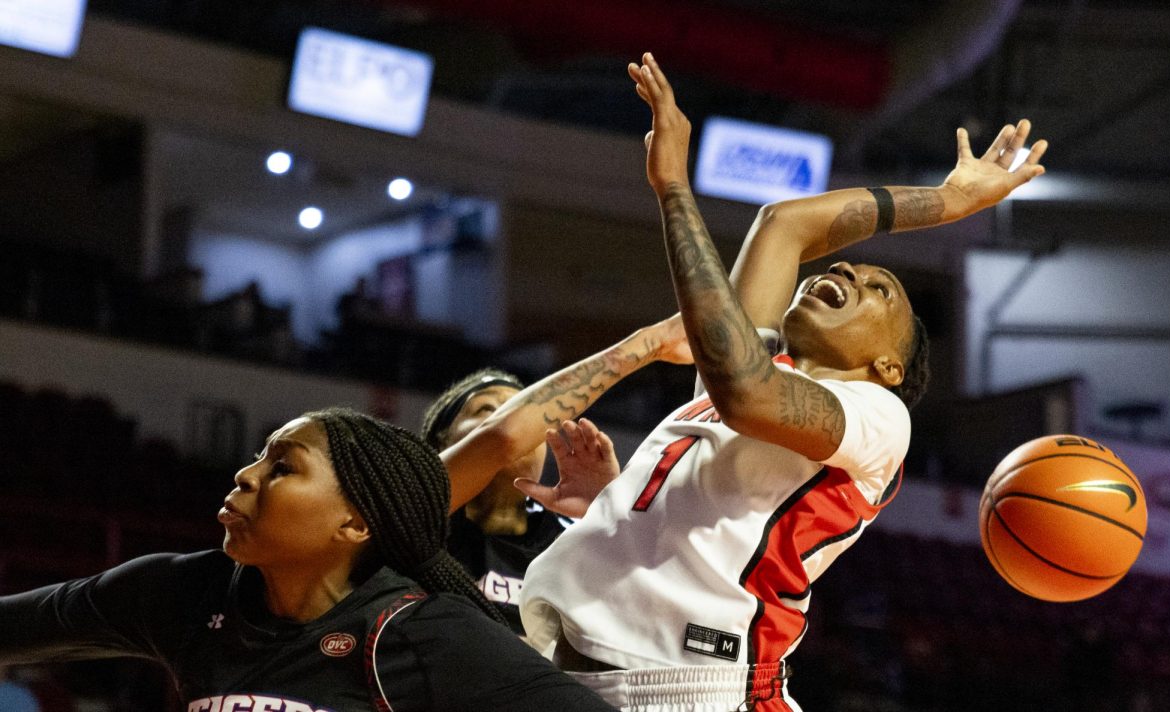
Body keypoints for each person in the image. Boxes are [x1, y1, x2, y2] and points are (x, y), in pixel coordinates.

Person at [512, 53, 1050, 712]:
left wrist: (676, 188)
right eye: (852, 269)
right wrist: (943, 202)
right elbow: (783, 224)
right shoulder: (747, 373)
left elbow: (746, 392)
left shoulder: (879, 417)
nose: (852, 272)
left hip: (686, 689)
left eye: (880, 289)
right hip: (575, 662)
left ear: (889, 366)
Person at [0, 407, 618, 711]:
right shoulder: (184, 594)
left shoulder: (424, 634)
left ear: (354, 523)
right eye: (259, 458)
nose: (245, 475)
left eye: (282, 467)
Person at [420, 368, 622, 635]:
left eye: (529, 418)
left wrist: (610, 517)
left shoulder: (573, 536)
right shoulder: (414, 524)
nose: (516, 427)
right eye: (488, 410)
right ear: (440, 443)